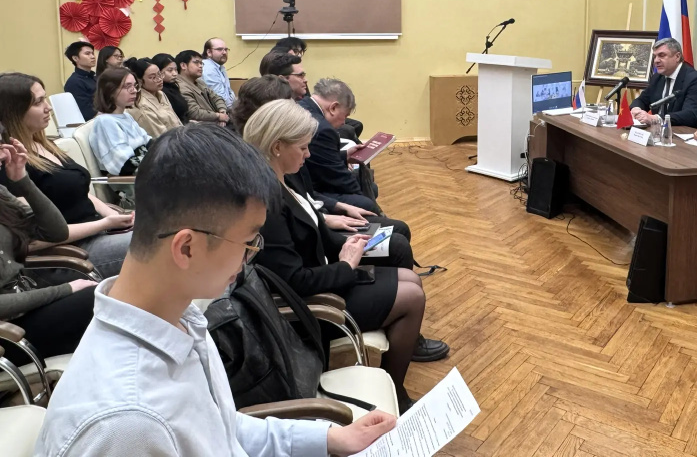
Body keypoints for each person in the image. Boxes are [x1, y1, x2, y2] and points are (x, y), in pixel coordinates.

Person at [35, 123, 396, 456]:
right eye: (249, 242)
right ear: (187, 248)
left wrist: (330, 438)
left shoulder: (178, 316)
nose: (251, 255)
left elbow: (221, 430)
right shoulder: (128, 425)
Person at [243, 101, 449, 414]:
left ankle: (394, 385)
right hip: (312, 307)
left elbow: (316, 228)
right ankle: (397, 395)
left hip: (327, 278)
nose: (308, 155)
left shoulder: (286, 178)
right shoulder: (266, 202)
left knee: (410, 278)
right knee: (411, 296)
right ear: (277, 147)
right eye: (303, 148)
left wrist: (350, 243)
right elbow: (295, 281)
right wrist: (346, 265)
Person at [231, 77, 414, 262]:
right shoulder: (267, 184)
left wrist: (328, 215)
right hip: (317, 246)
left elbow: (305, 199)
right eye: (290, 104)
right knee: (395, 242)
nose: (307, 154)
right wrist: (345, 262)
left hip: (319, 221)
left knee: (396, 232)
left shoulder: (279, 161)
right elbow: (297, 261)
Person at [0, 73, 133, 278]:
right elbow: (30, 241)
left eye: (45, 99)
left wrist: (114, 216)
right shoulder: (11, 165)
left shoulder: (45, 145)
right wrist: (105, 224)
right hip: (70, 251)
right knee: (161, 244)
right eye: (38, 102)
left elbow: (79, 193)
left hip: (98, 231)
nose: (48, 107)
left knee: (166, 229)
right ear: (14, 111)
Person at [0, 130, 98, 366]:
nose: (3, 154)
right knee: (102, 300)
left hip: (25, 305)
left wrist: (23, 180)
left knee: (110, 297)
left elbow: (57, 231)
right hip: (9, 334)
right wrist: (66, 289)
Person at [300, 78, 379, 213]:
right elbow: (338, 178)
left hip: (305, 181)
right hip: (310, 191)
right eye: (345, 115)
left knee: (371, 188)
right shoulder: (323, 129)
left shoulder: (302, 104)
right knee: (366, 202)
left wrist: (344, 156)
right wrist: (362, 197)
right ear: (333, 107)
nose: (344, 123)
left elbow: (316, 159)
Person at [630, 37, 697, 128]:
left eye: (662, 55)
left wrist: (655, 119)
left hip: (691, 132)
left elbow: (689, 115)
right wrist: (636, 109)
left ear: (677, 56)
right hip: (659, 131)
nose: (656, 60)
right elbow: (642, 100)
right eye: (655, 56)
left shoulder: (695, 80)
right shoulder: (657, 77)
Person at [88, 68, 152, 176]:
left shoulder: (126, 116)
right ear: (110, 91)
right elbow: (126, 166)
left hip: (147, 173)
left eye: (135, 86)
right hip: (132, 181)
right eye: (127, 87)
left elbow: (149, 142)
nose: (134, 91)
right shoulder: (105, 122)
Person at [125, 58, 181, 138]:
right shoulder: (141, 105)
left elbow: (176, 120)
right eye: (153, 77)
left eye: (159, 74)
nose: (159, 79)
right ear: (139, 81)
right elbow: (159, 136)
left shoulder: (160, 94)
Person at [176, 49, 229, 124]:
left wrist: (222, 111)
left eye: (201, 63)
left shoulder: (199, 82)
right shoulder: (180, 86)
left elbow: (217, 98)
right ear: (183, 65)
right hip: (202, 127)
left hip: (214, 123)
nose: (200, 66)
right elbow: (194, 112)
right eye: (196, 62)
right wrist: (218, 116)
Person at [62, 41, 97, 121]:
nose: (93, 57)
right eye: (87, 54)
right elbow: (87, 113)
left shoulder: (94, 77)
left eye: (92, 53)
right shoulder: (74, 82)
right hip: (91, 122)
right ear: (75, 58)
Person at [153, 52, 189, 124]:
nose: (175, 73)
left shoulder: (173, 86)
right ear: (159, 72)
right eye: (170, 70)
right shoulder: (160, 91)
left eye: (176, 70)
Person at [201, 37, 236, 107]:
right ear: (209, 52)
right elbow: (221, 98)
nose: (224, 52)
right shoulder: (208, 68)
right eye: (219, 49)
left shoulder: (219, 66)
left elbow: (229, 92)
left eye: (226, 49)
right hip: (218, 110)